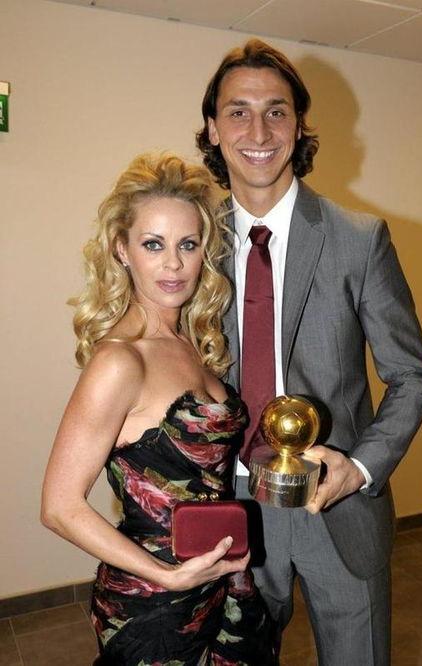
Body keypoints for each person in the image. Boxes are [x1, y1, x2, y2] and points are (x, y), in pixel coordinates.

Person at [196, 39, 422, 665]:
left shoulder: (359, 239)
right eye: (238, 111)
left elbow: (412, 376)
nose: (258, 131)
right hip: (229, 506)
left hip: (338, 504)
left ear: (300, 125)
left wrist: (360, 468)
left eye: (276, 111)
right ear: (213, 129)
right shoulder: (191, 244)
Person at [41, 152, 276, 665]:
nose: (173, 263)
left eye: (187, 244)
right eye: (153, 244)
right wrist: (167, 576)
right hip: (153, 604)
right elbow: (59, 506)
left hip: (222, 582)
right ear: (121, 249)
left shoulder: (190, 341)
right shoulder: (119, 360)